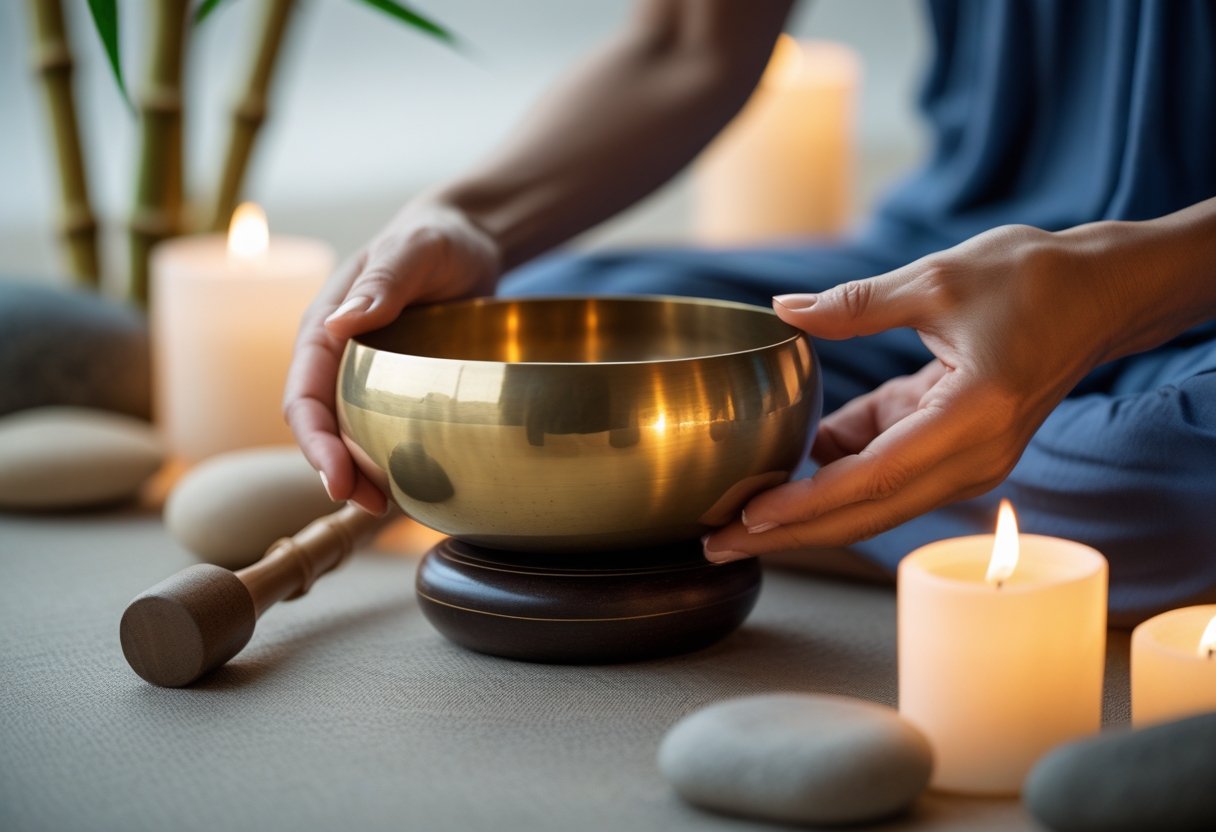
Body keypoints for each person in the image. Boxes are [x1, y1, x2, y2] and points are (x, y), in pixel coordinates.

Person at [284, 0, 1216, 624]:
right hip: (963, 254)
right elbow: (688, 40)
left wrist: (1115, 287)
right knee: (539, 330)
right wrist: (467, 218)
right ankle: (818, 495)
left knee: (1169, 479)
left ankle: (688, 503)